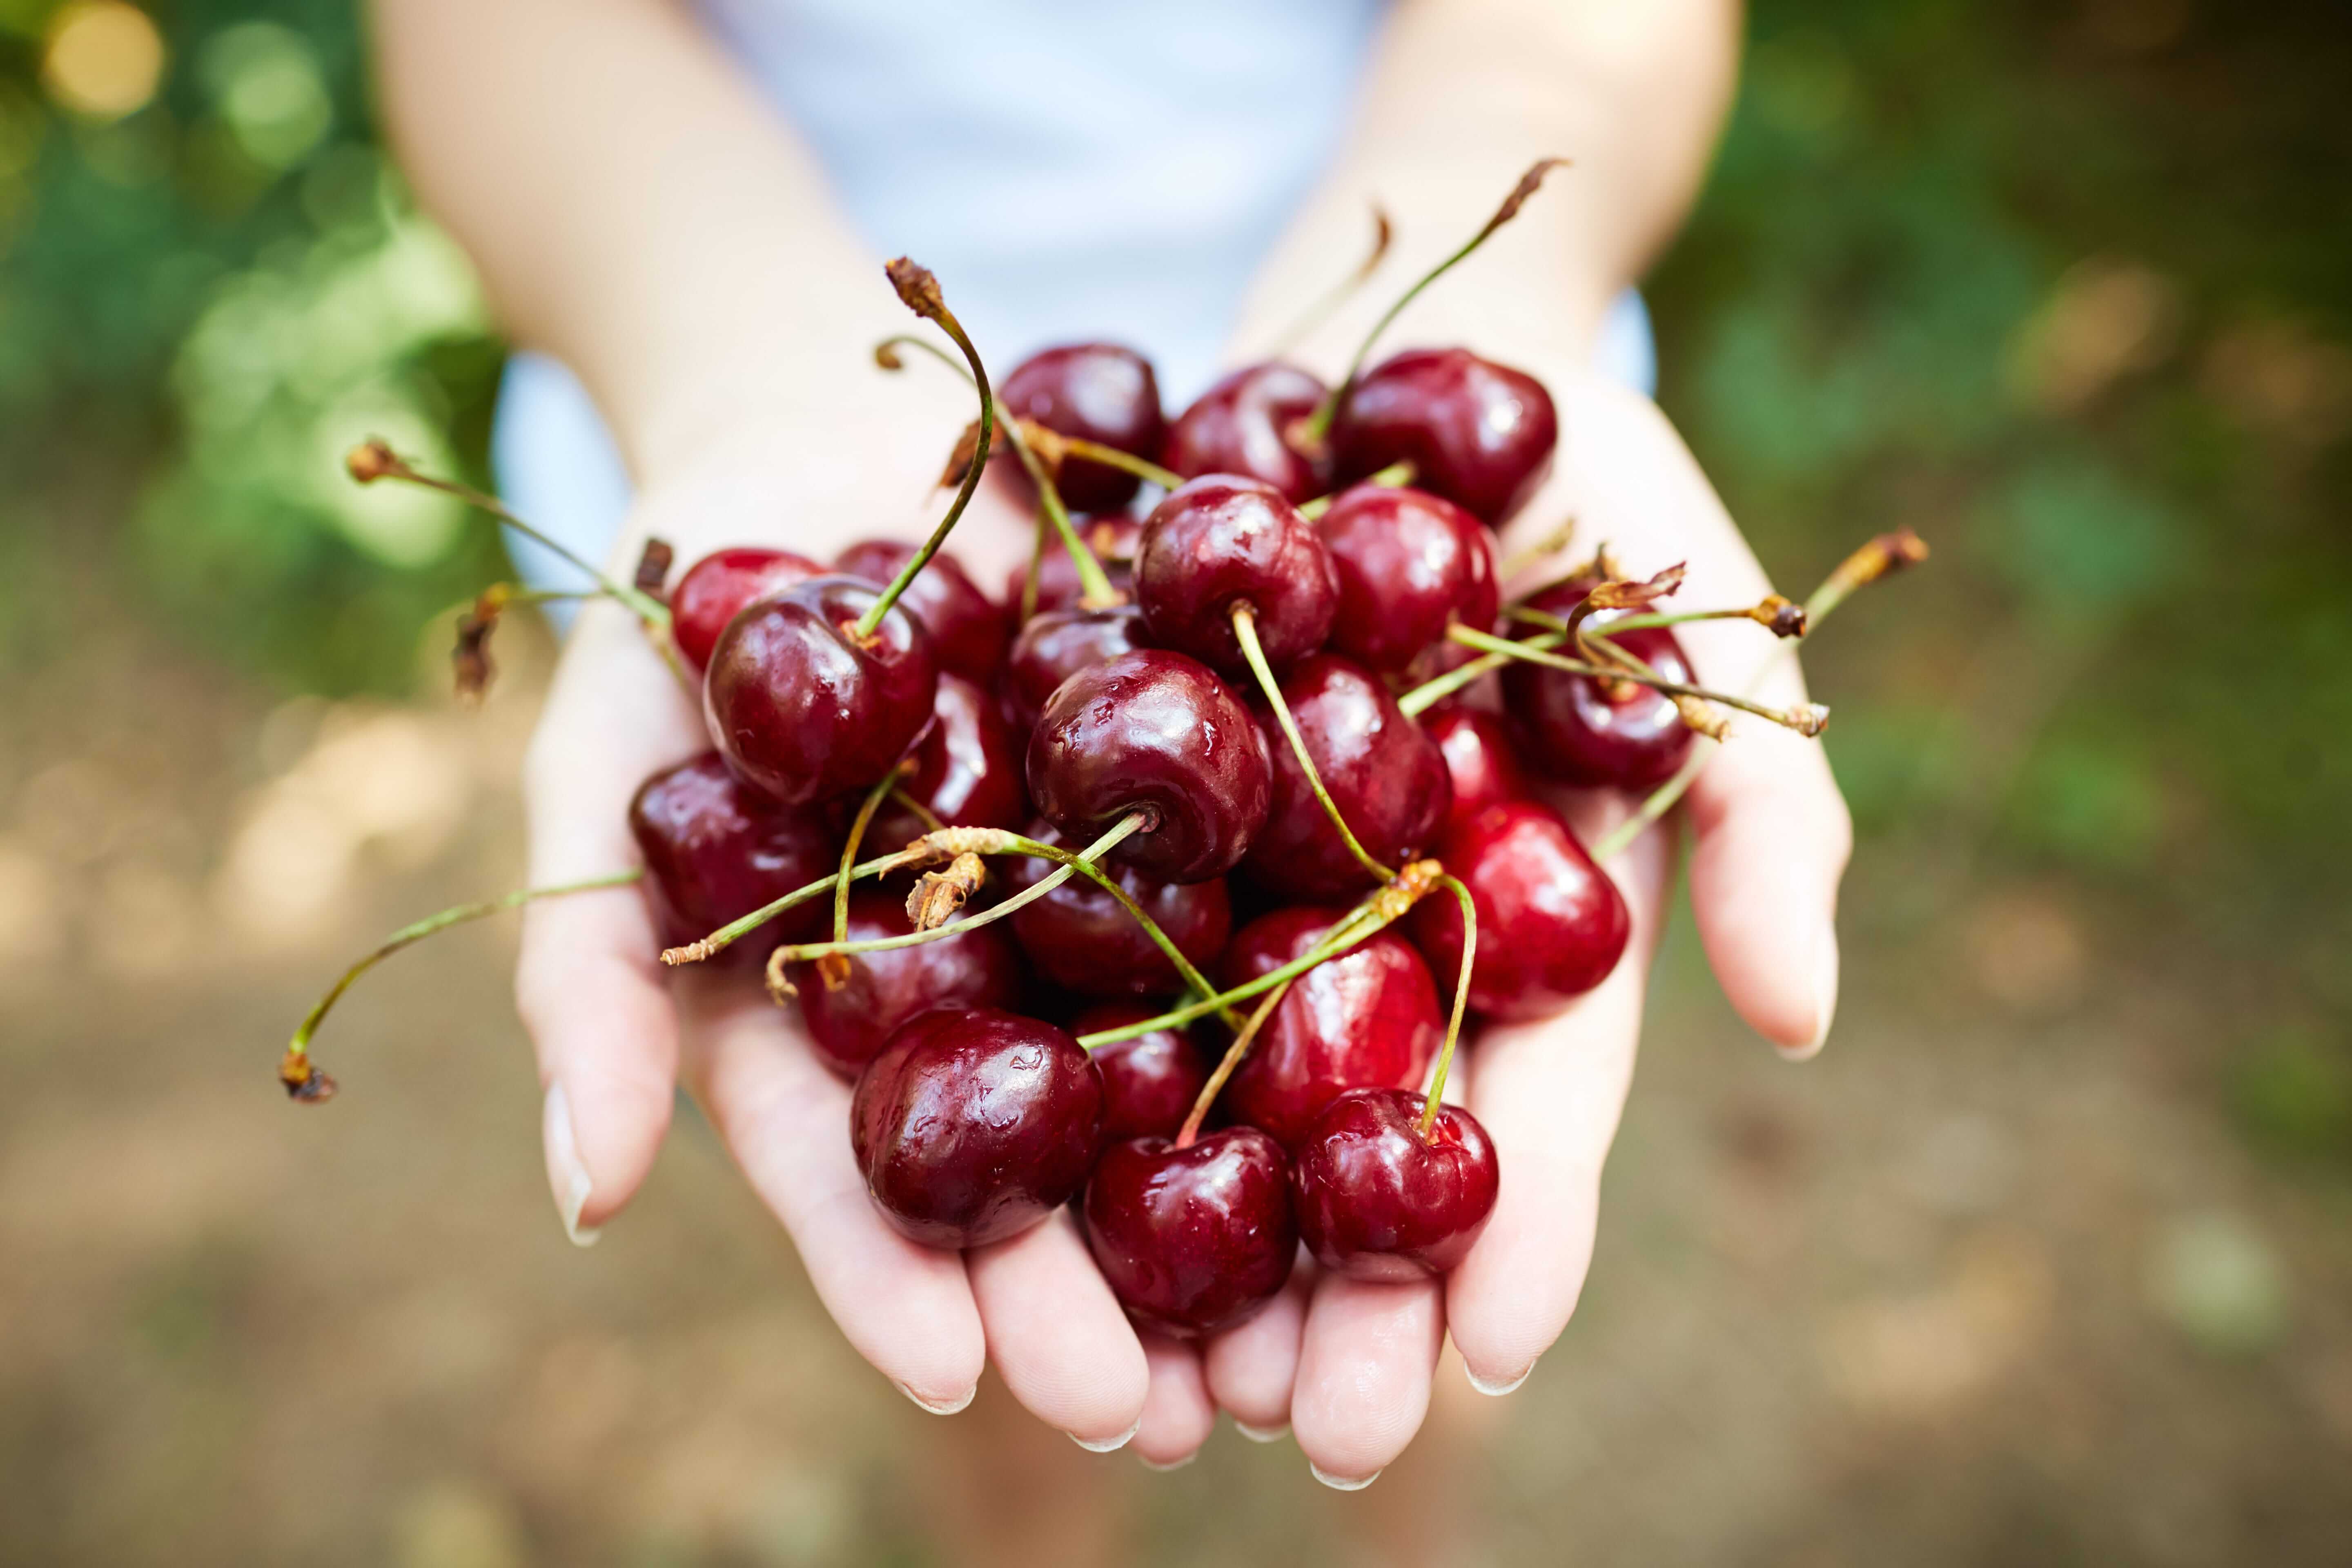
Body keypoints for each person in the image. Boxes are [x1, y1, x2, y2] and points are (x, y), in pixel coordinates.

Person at [373, 0, 1849, 1489]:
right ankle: (1031, 1519)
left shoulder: (1318, 691)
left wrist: (1511, 267)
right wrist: (729, 378)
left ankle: (1413, 1520)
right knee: (997, 1376)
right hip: (737, 353)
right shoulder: (960, 733)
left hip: (1322, 336)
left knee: (1433, 1334)